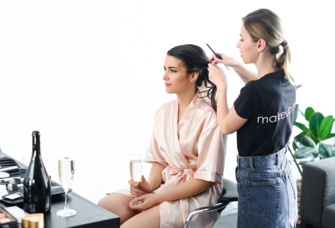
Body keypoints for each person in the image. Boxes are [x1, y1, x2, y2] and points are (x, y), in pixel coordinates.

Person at [98, 44, 227, 228]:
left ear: (193, 76)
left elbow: (205, 179)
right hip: (166, 185)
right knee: (104, 211)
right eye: (165, 69)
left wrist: (157, 197)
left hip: (195, 193)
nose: (164, 76)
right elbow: (161, 160)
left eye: (172, 70)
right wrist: (149, 187)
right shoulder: (163, 112)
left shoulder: (210, 117)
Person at [207, 8, 298, 228]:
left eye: (241, 39)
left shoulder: (255, 91)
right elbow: (259, 92)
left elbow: (226, 126)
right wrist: (236, 65)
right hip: (282, 172)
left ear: (260, 45)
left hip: (260, 180)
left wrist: (222, 85)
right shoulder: (285, 79)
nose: (237, 45)